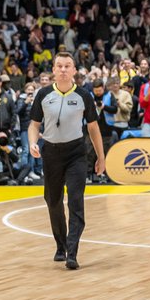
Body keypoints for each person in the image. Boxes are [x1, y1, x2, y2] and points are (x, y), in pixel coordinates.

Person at [28, 53, 106, 270]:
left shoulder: (84, 96)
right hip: (51, 154)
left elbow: (93, 128)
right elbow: (34, 124)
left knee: (75, 201)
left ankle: (72, 251)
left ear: (74, 71)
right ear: (53, 70)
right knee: (53, 202)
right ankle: (60, 245)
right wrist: (33, 143)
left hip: (76, 154)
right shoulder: (43, 94)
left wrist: (101, 157)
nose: (63, 70)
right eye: (59, 66)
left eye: (67, 66)